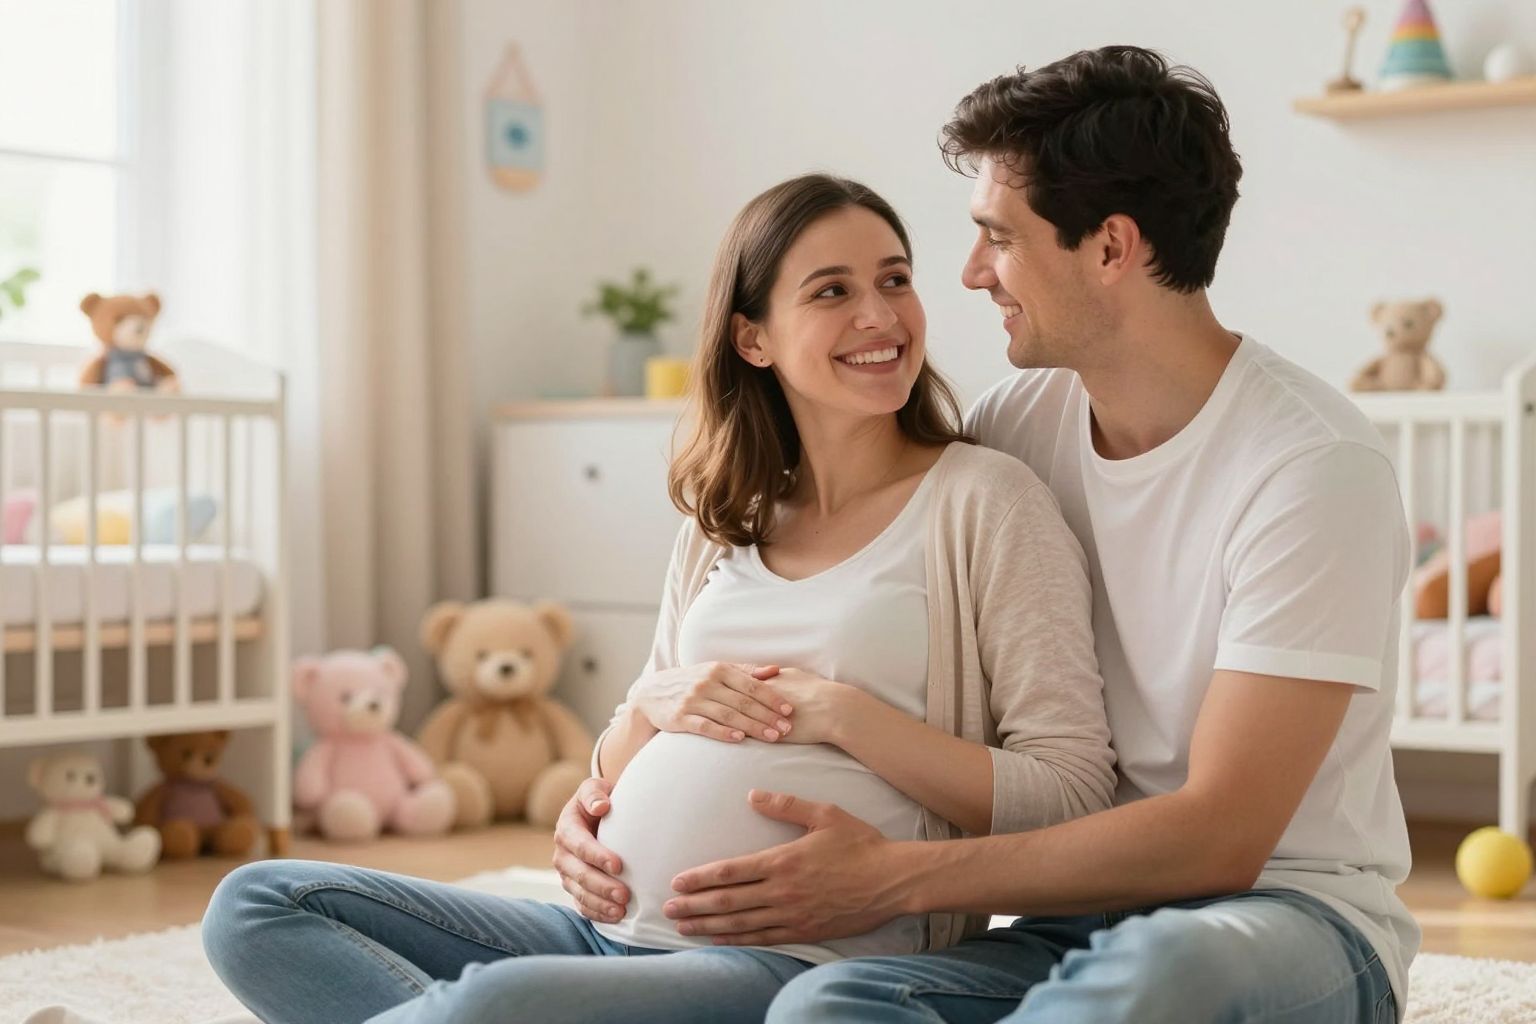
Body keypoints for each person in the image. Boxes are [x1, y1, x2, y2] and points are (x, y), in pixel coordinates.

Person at [556, 47, 1418, 1024]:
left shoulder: (1308, 466)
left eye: (996, 238)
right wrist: (645, 734)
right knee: (826, 1007)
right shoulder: (1016, 426)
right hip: (1073, 915)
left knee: (1160, 975)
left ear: (1110, 248)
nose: (969, 275)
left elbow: (1221, 840)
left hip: (1282, 916)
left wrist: (895, 877)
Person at [201, 173, 1116, 1024]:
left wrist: (842, 716)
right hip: (603, 929)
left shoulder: (985, 502)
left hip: (789, 959)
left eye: (895, 279)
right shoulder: (726, 519)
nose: (880, 315)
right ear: (751, 337)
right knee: (255, 906)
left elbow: (1072, 795)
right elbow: (618, 755)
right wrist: (612, 761)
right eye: (832, 290)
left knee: (496, 1008)